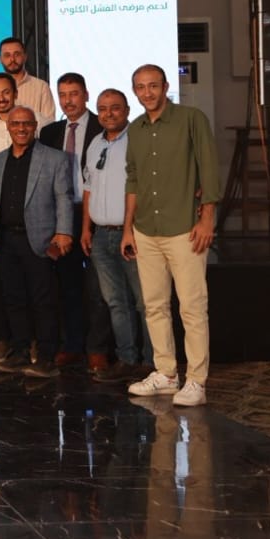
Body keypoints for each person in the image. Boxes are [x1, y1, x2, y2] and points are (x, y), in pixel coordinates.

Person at [122, 64, 220, 408]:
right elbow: (133, 179)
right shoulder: (135, 129)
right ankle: (166, 374)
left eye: (153, 86)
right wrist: (128, 228)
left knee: (192, 307)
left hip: (184, 228)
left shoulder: (192, 119)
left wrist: (207, 219)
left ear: (165, 87)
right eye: (140, 87)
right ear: (134, 91)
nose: (147, 93)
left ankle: (196, 381)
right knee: (154, 306)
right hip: (146, 230)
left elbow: (209, 168)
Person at [0, 106, 74, 379]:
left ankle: (46, 358)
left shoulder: (54, 158)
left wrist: (64, 232)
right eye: (15, 124)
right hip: (5, 239)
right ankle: (21, 352)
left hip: (40, 240)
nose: (21, 128)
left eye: (26, 124)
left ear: (35, 126)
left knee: (43, 300)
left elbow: (64, 197)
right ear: (8, 127)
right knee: (13, 299)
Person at [38, 72, 111, 371]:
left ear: (86, 95)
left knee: (98, 288)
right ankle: (72, 346)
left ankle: (97, 348)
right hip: (63, 216)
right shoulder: (50, 133)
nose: (68, 101)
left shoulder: (102, 128)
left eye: (74, 94)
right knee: (67, 287)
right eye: (63, 95)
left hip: (97, 214)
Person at [81, 88, 153, 383]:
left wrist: (130, 229)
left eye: (115, 108)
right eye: (102, 108)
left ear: (127, 110)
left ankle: (152, 363)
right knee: (115, 302)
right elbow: (88, 188)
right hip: (101, 236)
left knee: (145, 302)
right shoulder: (95, 143)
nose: (108, 113)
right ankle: (126, 360)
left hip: (132, 234)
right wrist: (86, 228)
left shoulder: (138, 139)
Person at [0, 37, 55, 128]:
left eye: (17, 54)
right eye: (7, 55)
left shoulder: (41, 87)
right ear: (0, 59)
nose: (12, 59)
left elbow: (49, 124)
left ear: (25, 57)